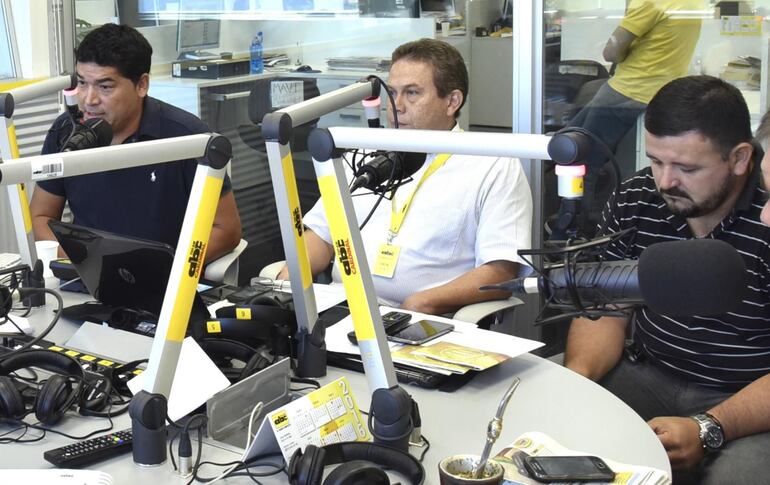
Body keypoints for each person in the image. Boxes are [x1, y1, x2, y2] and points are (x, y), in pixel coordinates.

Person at [564, 76, 770, 484]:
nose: (665, 182)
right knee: (549, 420)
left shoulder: (765, 216)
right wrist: (579, 381)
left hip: (746, 397)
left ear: (740, 158)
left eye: (687, 168)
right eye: (657, 161)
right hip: (647, 371)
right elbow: (605, 307)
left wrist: (709, 426)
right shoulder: (639, 196)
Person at [281, 38, 533, 315]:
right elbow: (320, 236)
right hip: (342, 308)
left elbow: (500, 271)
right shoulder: (364, 155)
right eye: (392, 92)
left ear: (452, 101)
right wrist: (284, 287)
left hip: (424, 318)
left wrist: (420, 303)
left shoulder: (492, 165)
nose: (396, 106)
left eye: (412, 93)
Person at [30, 24, 242, 263]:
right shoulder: (65, 132)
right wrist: (82, 264)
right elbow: (41, 216)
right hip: (84, 275)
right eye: (82, 83)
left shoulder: (188, 138)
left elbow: (226, 230)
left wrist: (168, 271)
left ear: (142, 85)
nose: (89, 100)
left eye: (104, 87)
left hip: (165, 278)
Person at [566, 0, 703, 234]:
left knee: (580, 159)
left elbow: (611, 52)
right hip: (663, 91)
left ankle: (576, 232)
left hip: (629, 91)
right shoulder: (693, 3)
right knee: (567, 140)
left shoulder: (650, 2)